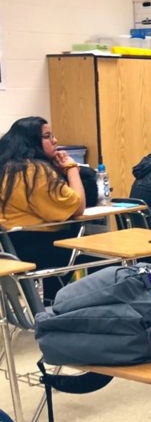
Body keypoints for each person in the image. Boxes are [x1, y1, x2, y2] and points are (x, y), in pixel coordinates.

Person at [0, 117, 87, 299]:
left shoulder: (6, 168)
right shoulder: (34, 171)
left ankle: (51, 303)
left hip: (9, 248)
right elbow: (78, 206)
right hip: (37, 247)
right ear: (31, 141)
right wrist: (71, 168)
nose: (55, 140)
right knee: (98, 255)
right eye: (47, 136)